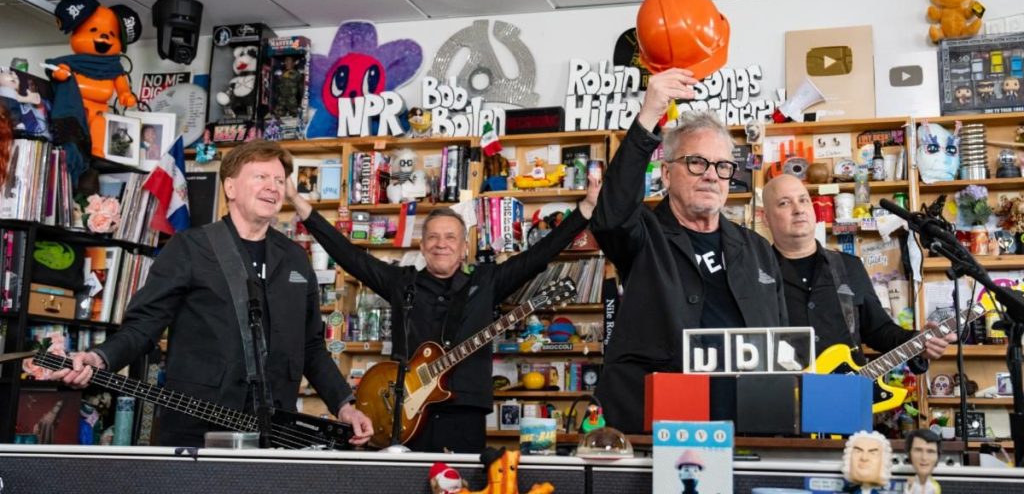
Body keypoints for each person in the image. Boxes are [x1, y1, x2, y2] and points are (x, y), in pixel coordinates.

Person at [53, 140, 373, 447]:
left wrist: (344, 406)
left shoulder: (294, 258)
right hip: (197, 430)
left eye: (279, 180)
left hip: (275, 433)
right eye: (261, 177)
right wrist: (100, 357)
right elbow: (143, 326)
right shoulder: (190, 248)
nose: (273, 187)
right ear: (230, 188)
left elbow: (311, 346)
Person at [287, 170, 601, 453]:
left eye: (451, 237)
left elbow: (539, 255)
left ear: (464, 248)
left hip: (464, 416)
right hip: (402, 416)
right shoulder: (402, 282)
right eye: (433, 237)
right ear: (423, 247)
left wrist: (586, 208)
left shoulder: (486, 282)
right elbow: (349, 256)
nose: (441, 244)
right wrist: (301, 206)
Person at [590, 68, 788, 434]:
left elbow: (783, 344)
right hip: (660, 423)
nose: (711, 175)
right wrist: (649, 114)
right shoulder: (643, 235)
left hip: (750, 424)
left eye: (722, 166)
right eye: (696, 162)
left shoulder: (757, 249)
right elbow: (610, 216)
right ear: (666, 174)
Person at [761, 174, 954, 373]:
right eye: (784, 203)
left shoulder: (848, 266)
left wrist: (916, 341)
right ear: (765, 218)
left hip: (848, 389)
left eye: (803, 200)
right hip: (783, 391)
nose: (798, 209)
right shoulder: (754, 274)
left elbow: (878, 330)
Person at [905, 429, 942, 494]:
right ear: (909, 454)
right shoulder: (907, 485)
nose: (924, 457)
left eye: (930, 451)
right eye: (918, 450)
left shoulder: (934, 487)